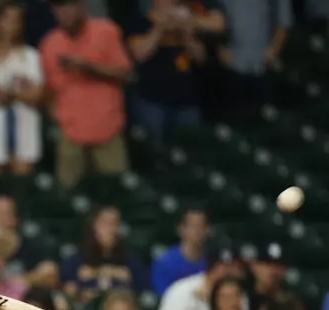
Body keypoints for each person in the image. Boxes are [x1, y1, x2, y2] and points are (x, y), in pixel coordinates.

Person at [40, 0, 132, 188]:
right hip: (70, 133)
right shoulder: (50, 43)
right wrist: (56, 116)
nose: (64, 12)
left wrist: (89, 67)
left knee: (115, 191)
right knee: (67, 195)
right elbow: (48, 88)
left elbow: (125, 73)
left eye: (69, 6)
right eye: (59, 7)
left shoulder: (105, 31)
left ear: (82, 7)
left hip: (107, 129)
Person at [0, 3, 44, 179]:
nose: (12, 25)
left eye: (16, 20)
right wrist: (20, 92)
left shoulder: (31, 56)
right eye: (7, 19)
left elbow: (36, 95)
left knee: (23, 190)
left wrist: (8, 94)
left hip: (25, 132)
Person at [126, 0, 207, 142]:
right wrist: (159, 29)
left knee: (191, 148)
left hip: (187, 101)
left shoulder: (190, 22)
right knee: (154, 150)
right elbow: (139, 54)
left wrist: (186, 35)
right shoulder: (141, 20)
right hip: (152, 101)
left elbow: (201, 58)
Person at [60, 206, 148, 308]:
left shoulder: (131, 260)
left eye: (114, 223)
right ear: (94, 225)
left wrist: (94, 272)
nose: (109, 229)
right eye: (105, 223)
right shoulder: (76, 259)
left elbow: (142, 290)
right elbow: (67, 290)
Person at [158, 241, 245, 310]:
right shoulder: (182, 291)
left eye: (233, 267)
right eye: (223, 268)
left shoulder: (240, 294)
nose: (229, 272)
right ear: (210, 269)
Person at [220, 0, 292, 117]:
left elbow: (283, 24)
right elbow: (215, 13)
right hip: (230, 69)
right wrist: (220, 49)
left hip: (261, 69)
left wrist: (272, 52)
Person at [151, 208, 209, 295]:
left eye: (201, 226)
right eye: (193, 226)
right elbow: (163, 297)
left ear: (207, 231)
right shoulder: (165, 263)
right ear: (181, 229)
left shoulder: (212, 261)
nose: (197, 231)